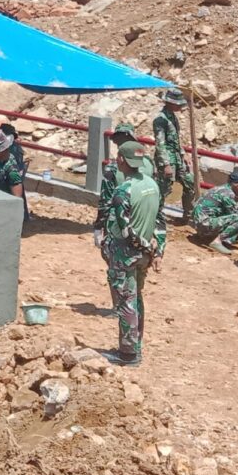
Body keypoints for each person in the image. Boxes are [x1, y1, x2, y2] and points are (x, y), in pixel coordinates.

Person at [102, 141, 163, 367]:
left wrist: (144, 245)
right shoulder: (152, 185)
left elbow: (127, 231)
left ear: (121, 160)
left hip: (125, 254)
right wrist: (156, 251)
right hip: (143, 257)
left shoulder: (123, 191)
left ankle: (128, 354)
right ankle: (136, 344)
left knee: (126, 302)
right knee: (136, 298)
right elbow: (159, 221)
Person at [153, 88, 196, 223]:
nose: (180, 107)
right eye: (178, 104)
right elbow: (160, 143)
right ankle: (155, 216)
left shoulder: (173, 117)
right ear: (170, 103)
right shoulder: (161, 119)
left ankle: (188, 215)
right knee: (164, 188)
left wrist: (184, 154)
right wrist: (166, 164)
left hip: (177, 157)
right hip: (167, 158)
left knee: (190, 182)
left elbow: (175, 139)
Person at [192, 170, 238, 255]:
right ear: (236, 184)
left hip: (199, 224)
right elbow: (236, 217)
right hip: (205, 224)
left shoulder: (219, 188)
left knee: (232, 221)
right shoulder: (228, 193)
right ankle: (217, 241)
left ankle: (228, 239)